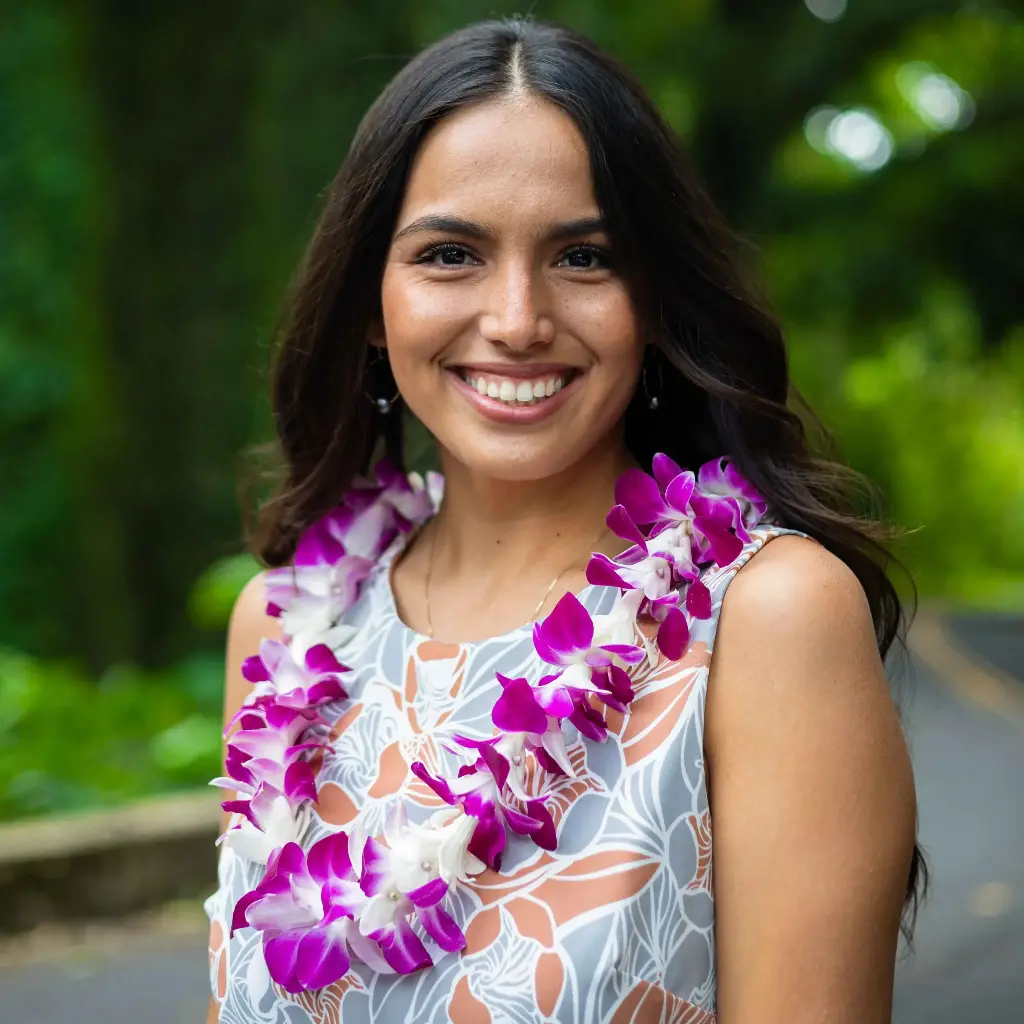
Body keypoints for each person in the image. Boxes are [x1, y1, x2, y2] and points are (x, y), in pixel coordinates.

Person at [204, 16, 922, 1024]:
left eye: (583, 257)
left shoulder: (768, 621)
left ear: (654, 296)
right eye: (450, 253)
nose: (515, 318)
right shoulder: (284, 629)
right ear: (373, 302)